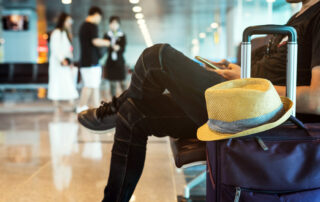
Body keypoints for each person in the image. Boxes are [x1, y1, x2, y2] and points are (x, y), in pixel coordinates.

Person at [78, 0, 320, 201]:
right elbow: (270, 75)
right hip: (240, 101)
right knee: (133, 113)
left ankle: (113, 109)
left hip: (255, 114)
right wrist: (238, 73)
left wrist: (255, 88)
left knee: (157, 56)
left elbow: (316, 99)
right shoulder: (296, 18)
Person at [76, 7, 111, 113]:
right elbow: (95, 41)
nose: (99, 20)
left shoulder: (83, 26)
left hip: (87, 61)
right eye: (99, 17)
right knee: (90, 86)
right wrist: (108, 42)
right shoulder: (91, 26)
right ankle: (81, 107)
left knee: (93, 86)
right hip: (91, 61)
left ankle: (96, 108)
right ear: (96, 14)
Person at [47, 13, 78, 111]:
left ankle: (71, 104)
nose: (70, 23)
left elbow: (68, 49)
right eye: (68, 21)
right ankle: (57, 105)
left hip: (65, 63)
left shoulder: (65, 33)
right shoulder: (57, 33)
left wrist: (70, 62)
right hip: (58, 63)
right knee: (56, 83)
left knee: (68, 82)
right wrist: (62, 59)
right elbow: (55, 48)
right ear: (63, 21)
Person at [103, 16, 127, 98]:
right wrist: (111, 45)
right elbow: (104, 47)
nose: (114, 25)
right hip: (110, 63)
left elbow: (123, 48)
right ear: (109, 24)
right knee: (112, 84)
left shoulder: (122, 35)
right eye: (112, 23)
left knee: (123, 83)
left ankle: (126, 100)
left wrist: (119, 48)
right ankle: (113, 102)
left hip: (120, 62)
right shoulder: (107, 35)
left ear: (119, 24)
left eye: (116, 23)